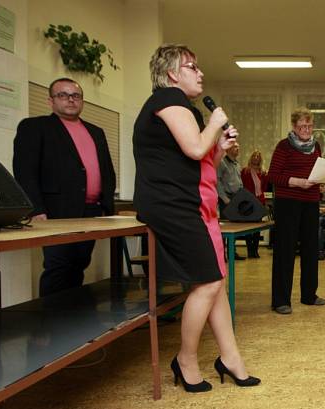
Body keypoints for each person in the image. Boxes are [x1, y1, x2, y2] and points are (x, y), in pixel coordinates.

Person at [133, 44, 258, 392]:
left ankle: (230, 357)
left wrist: (219, 147)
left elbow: (201, 164)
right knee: (208, 283)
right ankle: (185, 359)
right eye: (192, 66)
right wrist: (216, 124)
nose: (200, 72)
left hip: (193, 201)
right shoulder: (167, 100)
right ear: (172, 73)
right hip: (172, 205)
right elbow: (193, 148)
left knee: (215, 280)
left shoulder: (182, 107)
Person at [13, 77, 116, 297]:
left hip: (91, 212)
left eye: (75, 95)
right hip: (55, 212)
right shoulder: (35, 127)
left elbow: (107, 170)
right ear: (51, 101)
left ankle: (72, 317)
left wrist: (107, 206)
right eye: (63, 95)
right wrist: (36, 209)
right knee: (58, 267)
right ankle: (52, 323)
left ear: (82, 101)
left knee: (79, 265)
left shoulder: (96, 131)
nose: (70, 99)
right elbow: (24, 172)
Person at [267, 107, 325, 315]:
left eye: (310, 126)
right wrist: (296, 182)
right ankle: (280, 300)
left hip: (311, 201)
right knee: (285, 250)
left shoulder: (316, 146)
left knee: (311, 248)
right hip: (288, 202)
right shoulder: (284, 147)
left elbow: (317, 170)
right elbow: (273, 176)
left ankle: (309, 295)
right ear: (294, 126)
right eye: (303, 126)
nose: (307, 130)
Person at [217, 142, 246, 260]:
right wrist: (225, 198)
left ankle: (232, 252)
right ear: (228, 149)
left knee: (235, 226)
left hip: (236, 198)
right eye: (235, 147)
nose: (238, 148)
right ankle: (223, 254)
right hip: (227, 199)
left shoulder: (237, 163)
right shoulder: (222, 163)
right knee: (225, 227)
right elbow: (217, 181)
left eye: (238, 146)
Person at [241, 149, 268, 258]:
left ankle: (255, 250)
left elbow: (265, 188)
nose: (256, 158)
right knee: (248, 227)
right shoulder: (245, 171)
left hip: (259, 201)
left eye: (258, 156)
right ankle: (249, 250)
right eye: (254, 156)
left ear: (260, 159)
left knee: (257, 228)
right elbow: (242, 186)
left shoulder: (263, 172)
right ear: (251, 157)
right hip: (247, 201)